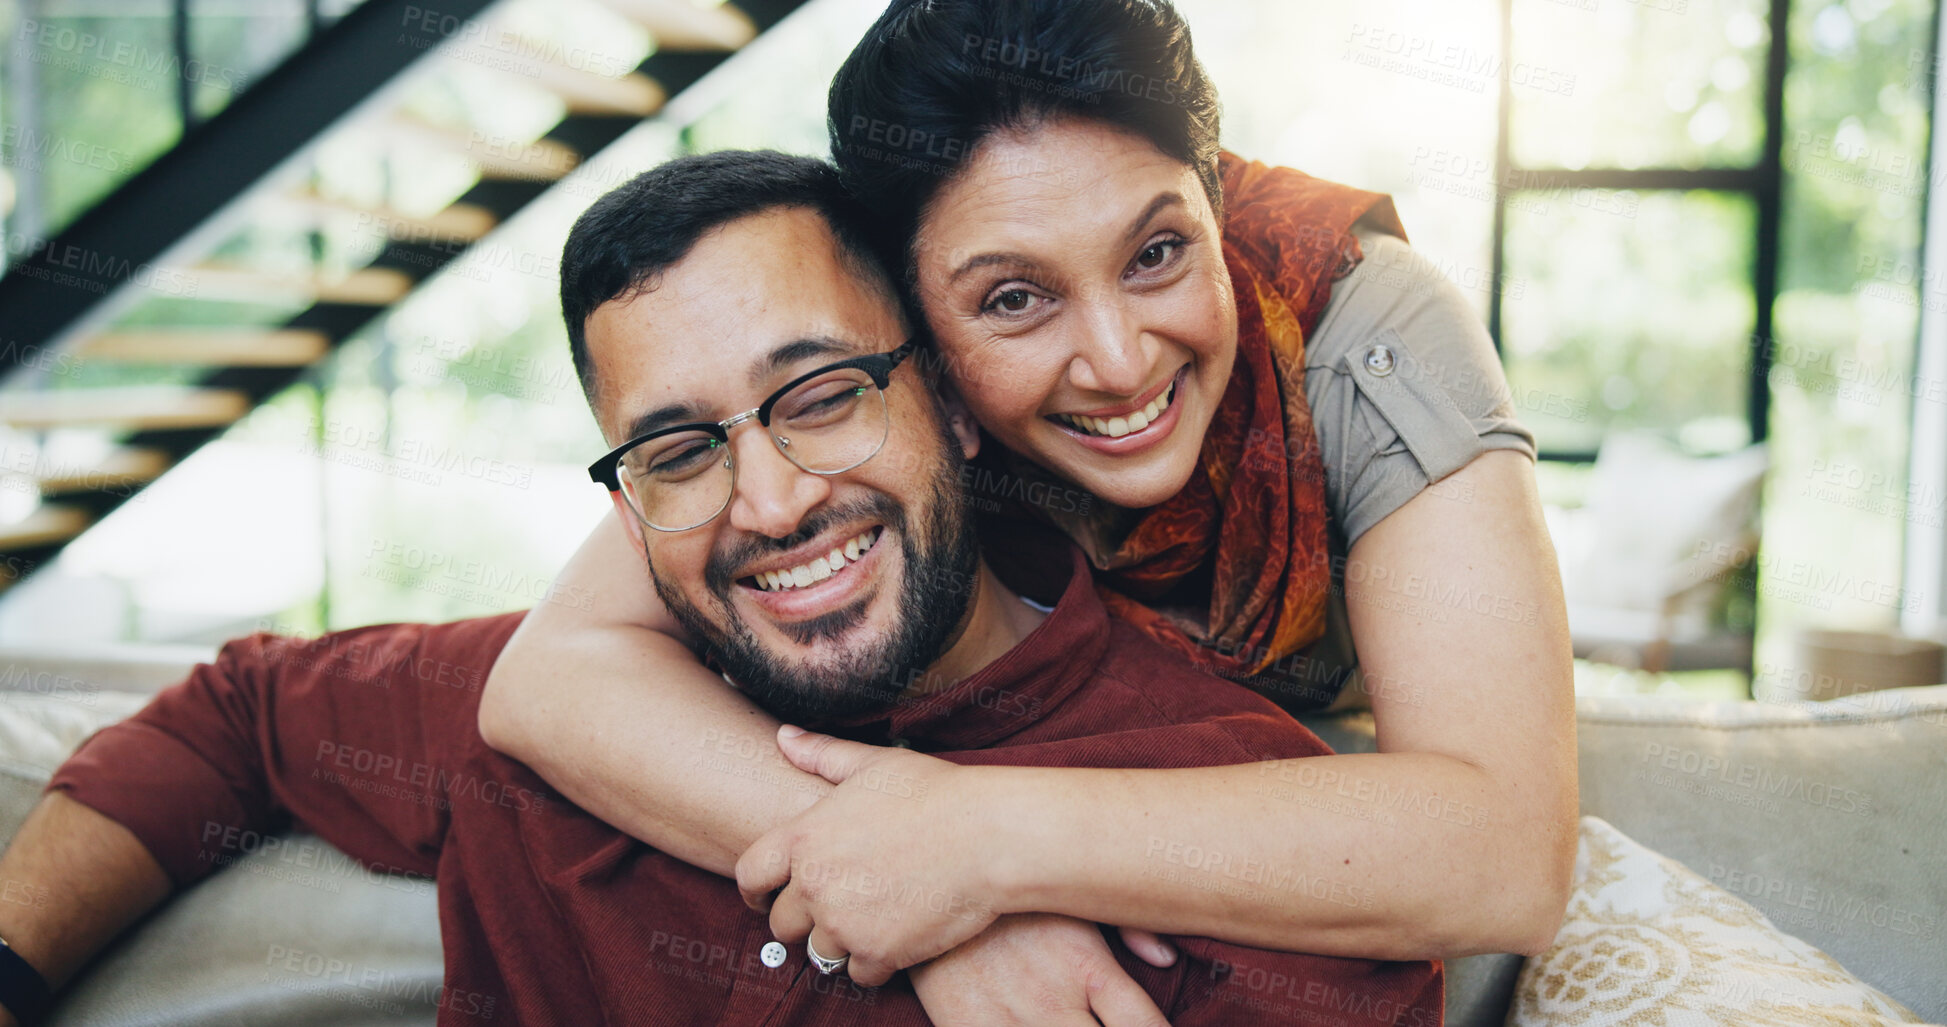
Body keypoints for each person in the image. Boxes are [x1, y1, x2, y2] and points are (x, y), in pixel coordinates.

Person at [0, 152, 1440, 1027]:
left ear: (945, 399)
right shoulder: (578, 713)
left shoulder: (1235, 823)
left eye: (817, 395)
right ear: (629, 500)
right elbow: (236, 718)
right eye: (677, 448)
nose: (769, 501)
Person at [479, 0, 1578, 982]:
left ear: (1215, 195)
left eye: (1156, 253)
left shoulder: (1364, 332)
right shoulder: (868, 408)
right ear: (913, 330)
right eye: (1013, 298)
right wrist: (912, 879)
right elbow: (550, 678)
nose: (1118, 360)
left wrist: (983, 845)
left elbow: (1505, 852)